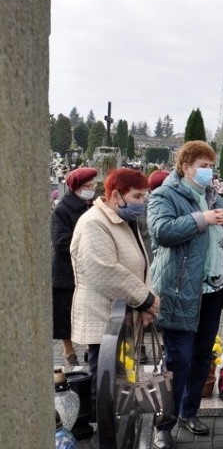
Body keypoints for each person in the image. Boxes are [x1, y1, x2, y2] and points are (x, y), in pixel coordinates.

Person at [147, 141, 223, 449]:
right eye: (203, 165)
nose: (208, 171)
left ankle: (189, 412)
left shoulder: (212, 195)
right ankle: (163, 424)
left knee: (202, 355)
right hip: (180, 291)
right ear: (185, 167)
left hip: (213, 290)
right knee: (177, 360)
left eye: (211, 165)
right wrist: (202, 220)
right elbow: (161, 231)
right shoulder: (164, 194)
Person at [70, 168, 160, 401]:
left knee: (124, 378)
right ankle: (107, 433)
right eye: (137, 197)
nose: (142, 202)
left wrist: (146, 302)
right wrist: (146, 299)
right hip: (104, 319)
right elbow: (104, 270)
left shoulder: (124, 220)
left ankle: (123, 424)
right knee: (106, 382)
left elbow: (141, 262)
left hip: (126, 316)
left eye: (143, 196)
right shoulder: (94, 223)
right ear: (116, 195)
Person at [51, 167, 97, 369]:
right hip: (66, 273)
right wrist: (87, 242)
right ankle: (68, 349)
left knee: (87, 311)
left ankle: (89, 345)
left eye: (94, 185)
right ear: (77, 187)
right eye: (88, 186)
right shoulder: (62, 209)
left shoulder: (92, 206)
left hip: (89, 270)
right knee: (65, 314)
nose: (92, 189)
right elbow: (60, 242)